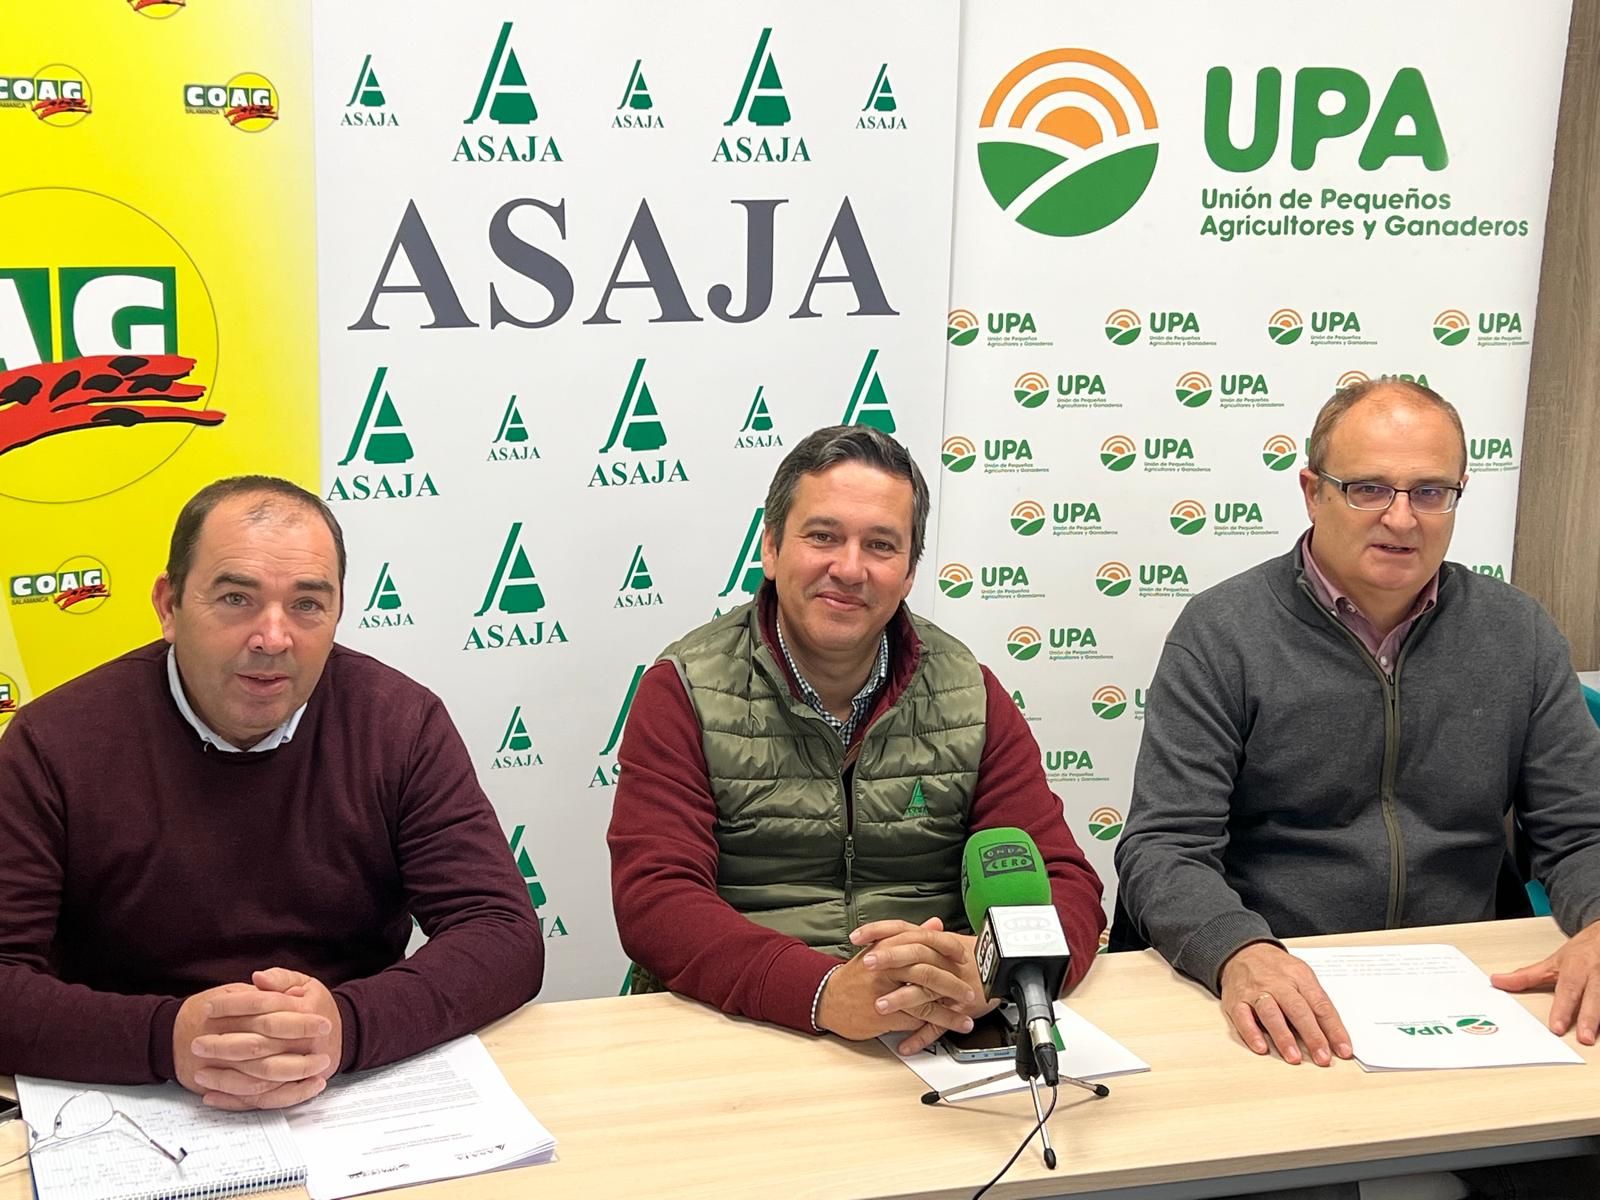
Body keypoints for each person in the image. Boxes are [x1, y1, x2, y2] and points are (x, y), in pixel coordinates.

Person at [1116, 381, 1600, 1197]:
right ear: (1312, 490)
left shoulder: (1517, 633)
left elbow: (1582, 828)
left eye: (1430, 492)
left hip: (1472, 987)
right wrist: (1238, 951)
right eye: (1369, 487)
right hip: (1282, 979)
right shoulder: (1223, 631)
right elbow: (1163, 848)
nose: (1402, 518)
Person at [0, 476, 543, 1110]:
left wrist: (344, 1026)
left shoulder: (400, 723)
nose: (273, 637)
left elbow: (502, 933)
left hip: (343, 1090)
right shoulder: (55, 741)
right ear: (168, 606)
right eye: (236, 598)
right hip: (128, 1094)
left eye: (308, 605)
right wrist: (169, 1038)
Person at [607, 425, 1105, 1055]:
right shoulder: (682, 688)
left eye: (880, 545)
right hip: (745, 1024)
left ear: (909, 571)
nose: (848, 568)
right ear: (770, 547)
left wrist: (996, 973)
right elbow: (657, 902)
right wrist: (820, 992)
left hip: (939, 1031)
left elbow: (1062, 877)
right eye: (823, 536)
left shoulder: (969, 691)